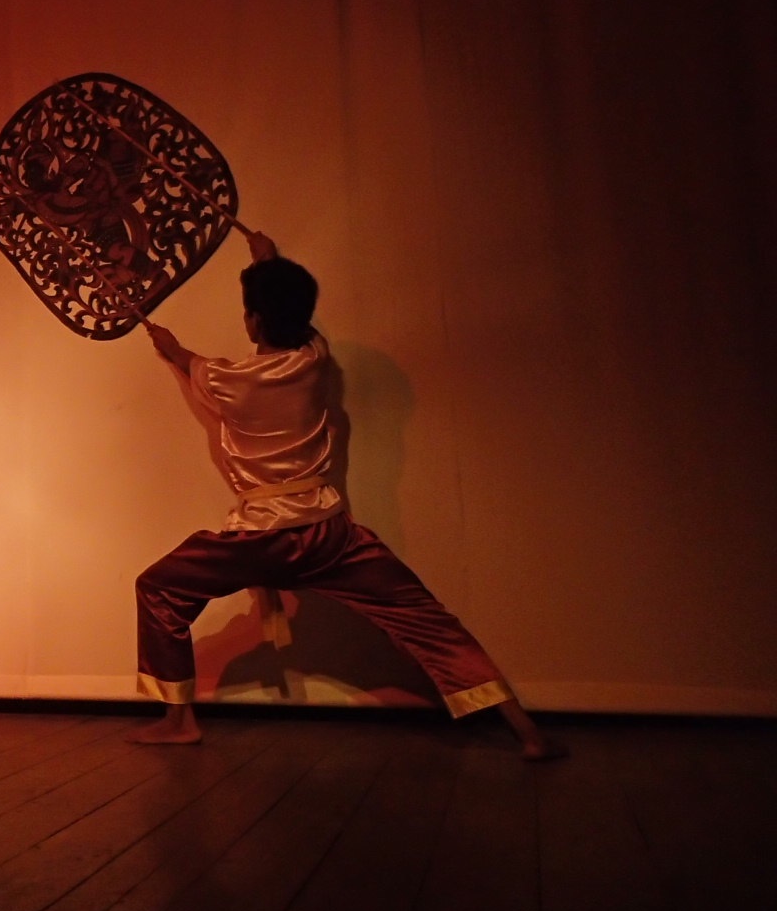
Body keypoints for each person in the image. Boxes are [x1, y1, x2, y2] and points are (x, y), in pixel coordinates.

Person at [131, 233, 563, 758]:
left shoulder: (227, 379)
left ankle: (178, 721)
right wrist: (268, 263)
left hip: (260, 537)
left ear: (254, 322)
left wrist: (169, 347)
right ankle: (527, 732)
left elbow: (187, 359)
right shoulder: (314, 358)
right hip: (329, 532)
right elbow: (291, 320)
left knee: (157, 588)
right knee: (428, 621)